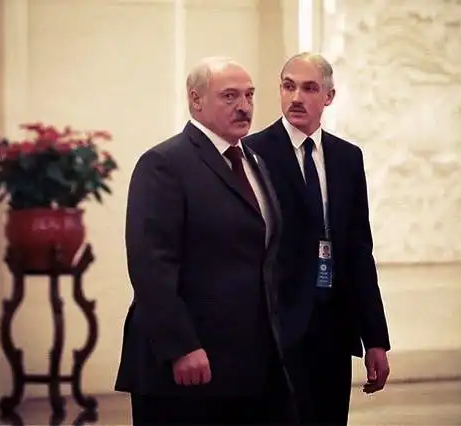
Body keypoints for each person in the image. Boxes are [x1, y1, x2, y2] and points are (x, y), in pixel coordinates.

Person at [114, 56, 294, 425]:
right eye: (230, 96)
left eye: (249, 95)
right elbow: (151, 266)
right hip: (187, 367)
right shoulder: (164, 164)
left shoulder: (253, 161)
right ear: (196, 100)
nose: (244, 106)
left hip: (252, 365)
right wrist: (181, 347)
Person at [243, 52, 391, 425]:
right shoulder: (253, 153)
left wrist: (375, 338)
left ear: (329, 96)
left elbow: (359, 250)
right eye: (288, 86)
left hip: (333, 326)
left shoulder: (347, 158)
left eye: (309, 88)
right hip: (276, 328)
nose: (296, 97)